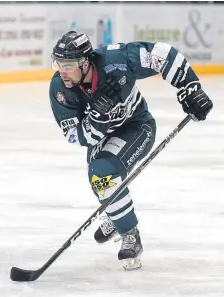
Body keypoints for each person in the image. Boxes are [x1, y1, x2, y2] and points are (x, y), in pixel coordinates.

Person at [49, 31, 213, 270]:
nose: (62, 72)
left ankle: (129, 232)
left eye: (68, 65)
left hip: (137, 127)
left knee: (102, 174)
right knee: (100, 178)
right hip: (101, 138)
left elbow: (163, 55)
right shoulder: (60, 89)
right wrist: (98, 119)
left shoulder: (118, 59)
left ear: (85, 63)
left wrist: (189, 87)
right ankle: (117, 214)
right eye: (58, 64)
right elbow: (76, 137)